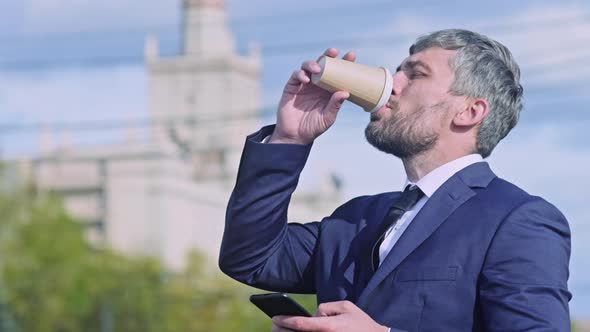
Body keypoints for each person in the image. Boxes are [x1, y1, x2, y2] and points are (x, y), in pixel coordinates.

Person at [219, 29, 571, 331]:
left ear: (470, 112)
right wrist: (289, 139)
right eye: (395, 71)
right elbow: (251, 258)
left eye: (415, 75)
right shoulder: (355, 218)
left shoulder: (517, 219)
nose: (392, 85)